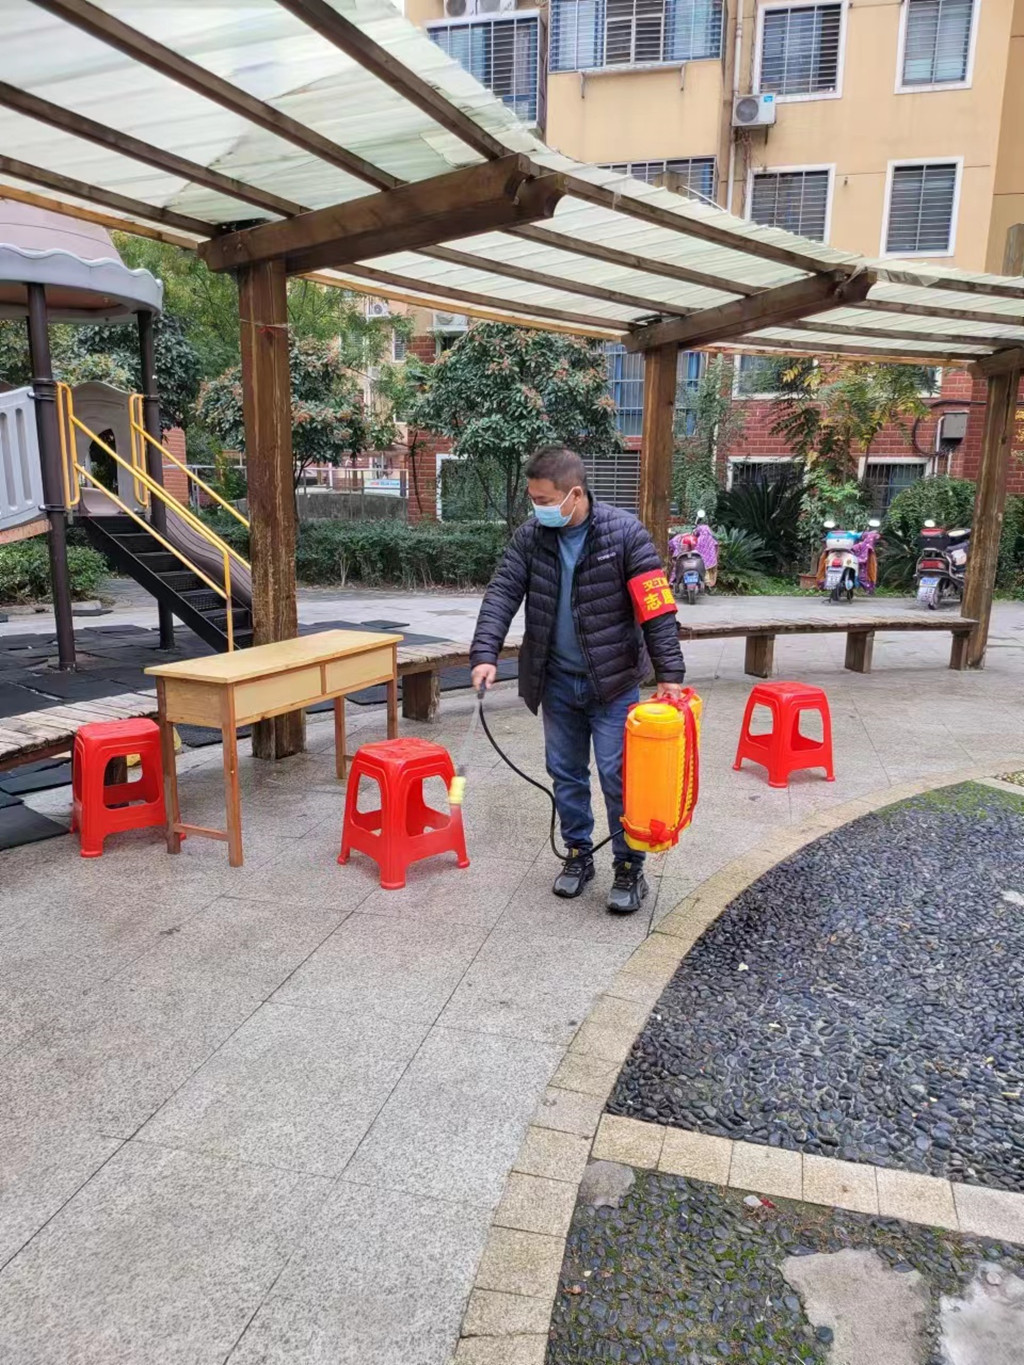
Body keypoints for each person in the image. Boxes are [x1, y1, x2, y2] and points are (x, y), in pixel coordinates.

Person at [470, 445, 686, 914]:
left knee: (617, 776)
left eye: (545, 500)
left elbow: (656, 607)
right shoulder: (532, 537)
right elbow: (502, 592)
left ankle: (629, 865)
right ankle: (578, 853)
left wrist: (669, 674)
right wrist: (485, 653)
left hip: (613, 682)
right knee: (565, 773)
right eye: (533, 500)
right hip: (556, 682)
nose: (538, 509)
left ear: (575, 494)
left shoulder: (625, 534)